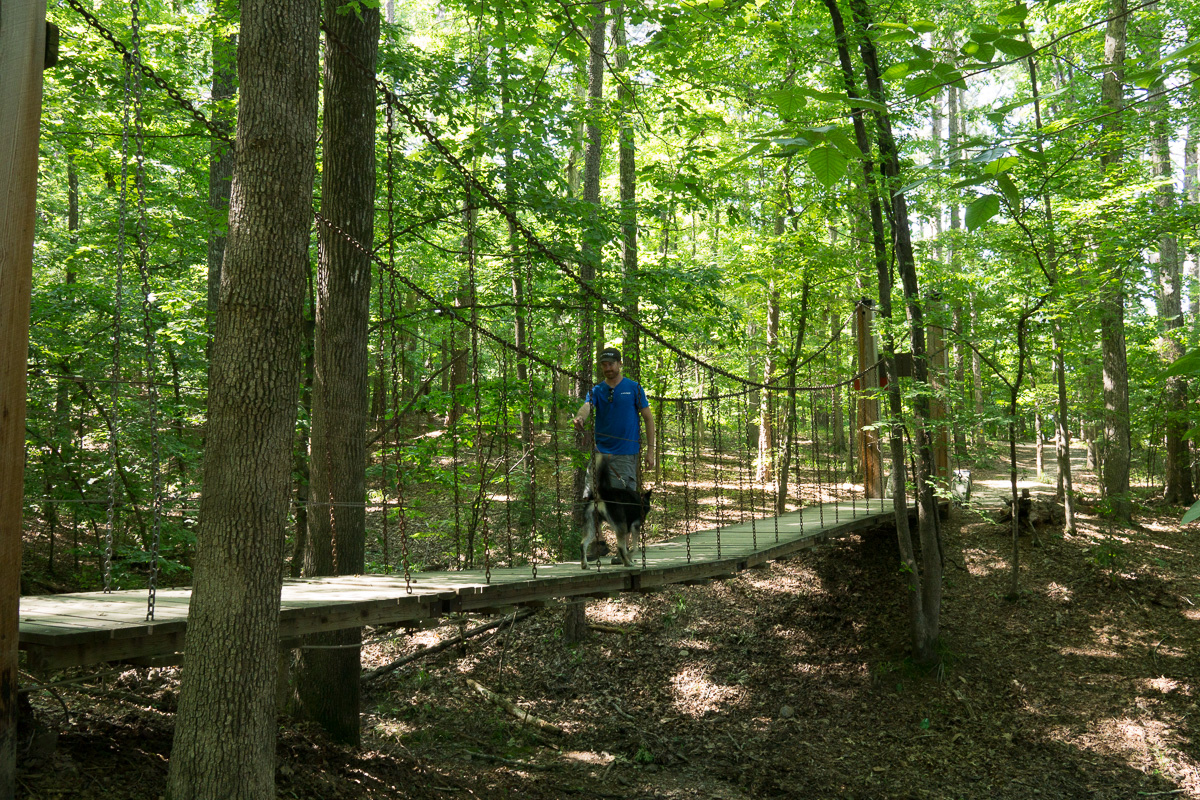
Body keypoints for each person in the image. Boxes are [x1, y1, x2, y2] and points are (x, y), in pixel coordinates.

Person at [573, 347, 655, 491]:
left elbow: (648, 419)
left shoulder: (634, 388)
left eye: (611, 364)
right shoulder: (597, 390)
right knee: (592, 500)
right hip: (600, 453)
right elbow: (587, 406)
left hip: (625, 455)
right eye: (604, 365)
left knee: (620, 504)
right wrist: (580, 417)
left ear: (620, 363)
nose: (608, 368)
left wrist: (650, 452)